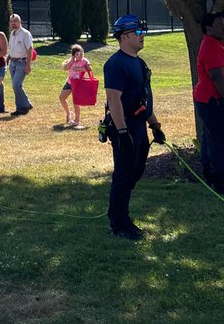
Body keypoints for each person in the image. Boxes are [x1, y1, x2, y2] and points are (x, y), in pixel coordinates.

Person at [103, 14, 165, 240]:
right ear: (125, 36)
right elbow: (114, 100)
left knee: (135, 172)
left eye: (142, 32)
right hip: (125, 127)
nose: (142, 36)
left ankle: (119, 214)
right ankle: (118, 224)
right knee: (124, 174)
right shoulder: (115, 64)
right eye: (138, 33)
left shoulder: (139, 63)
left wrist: (154, 124)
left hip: (139, 126)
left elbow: (144, 98)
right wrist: (121, 132)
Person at [192, 11, 224, 196]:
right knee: (219, 142)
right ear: (208, 28)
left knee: (210, 139)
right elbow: (217, 77)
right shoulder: (211, 46)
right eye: (219, 25)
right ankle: (220, 184)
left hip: (208, 100)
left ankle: (209, 178)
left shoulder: (215, 44)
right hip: (214, 101)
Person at [59, 44, 94, 129]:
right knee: (62, 98)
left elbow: (90, 69)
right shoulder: (72, 60)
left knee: (76, 102)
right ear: (74, 55)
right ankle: (68, 113)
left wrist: (80, 69)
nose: (81, 55)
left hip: (78, 84)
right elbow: (65, 68)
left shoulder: (84, 61)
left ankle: (77, 120)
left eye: (82, 53)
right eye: (78, 54)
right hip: (70, 82)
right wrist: (71, 61)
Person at [7, 13, 34, 115]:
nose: (13, 23)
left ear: (20, 21)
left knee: (16, 85)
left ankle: (26, 105)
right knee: (17, 86)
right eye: (12, 21)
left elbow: (30, 49)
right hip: (12, 62)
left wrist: (28, 65)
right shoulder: (12, 33)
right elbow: (12, 48)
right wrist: (8, 57)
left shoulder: (25, 34)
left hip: (21, 62)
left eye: (15, 21)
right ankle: (21, 107)